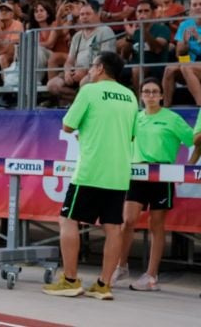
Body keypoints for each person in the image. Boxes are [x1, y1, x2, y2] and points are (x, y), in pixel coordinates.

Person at [43, 51, 138, 301]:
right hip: (118, 172)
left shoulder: (89, 91)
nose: (89, 70)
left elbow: (67, 126)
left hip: (90, 170)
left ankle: (71, 280)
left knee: (68, 219)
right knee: (113, 227)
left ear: (100, 68)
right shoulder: (130, 96)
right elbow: (130, 135)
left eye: (92, 65)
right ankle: (104, 285)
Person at [113, 78, 193, 292]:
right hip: (137, 174)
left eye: (154, 92)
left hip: (161, 175)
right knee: (127, 221)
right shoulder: (135, 118)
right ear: (141, 95)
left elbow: (194, 140)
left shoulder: (172, 119)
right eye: (146, 92)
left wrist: (188, 168)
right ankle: (121, 266)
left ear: (161, 96)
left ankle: (151, 275)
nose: (150, 95)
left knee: (156, 226)